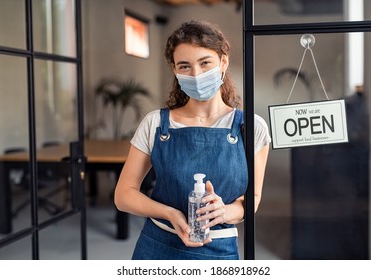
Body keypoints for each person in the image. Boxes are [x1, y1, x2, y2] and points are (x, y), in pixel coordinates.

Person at [114, 20, 271, 260]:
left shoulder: (251, 127)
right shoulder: (156, 124)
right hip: (158, 245)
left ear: (223, 61)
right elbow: (124, 195)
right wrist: (170, 214)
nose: (196, 74)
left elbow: (253, 200)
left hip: (219, 251)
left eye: (205, 62)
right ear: (175, 71)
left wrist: (224, 212)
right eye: (185, 66)